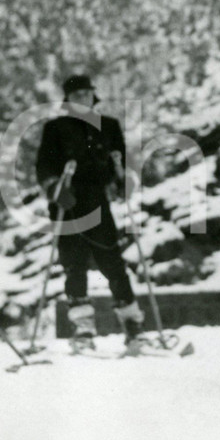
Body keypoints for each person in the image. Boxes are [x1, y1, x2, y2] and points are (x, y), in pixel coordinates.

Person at [35, 74, 144, 351]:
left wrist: (121, 181)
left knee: (112, 262)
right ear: (68, 100)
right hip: (67, 201)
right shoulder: (55, 128)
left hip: (97, 200)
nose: (82, 98)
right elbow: (44, 166)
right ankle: (83, 329)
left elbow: (120, 161)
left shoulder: (108, 126)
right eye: (76, 95)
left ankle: (133, 326)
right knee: (74, 264)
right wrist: (54, 189)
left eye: (86, 93)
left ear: (93, 96)